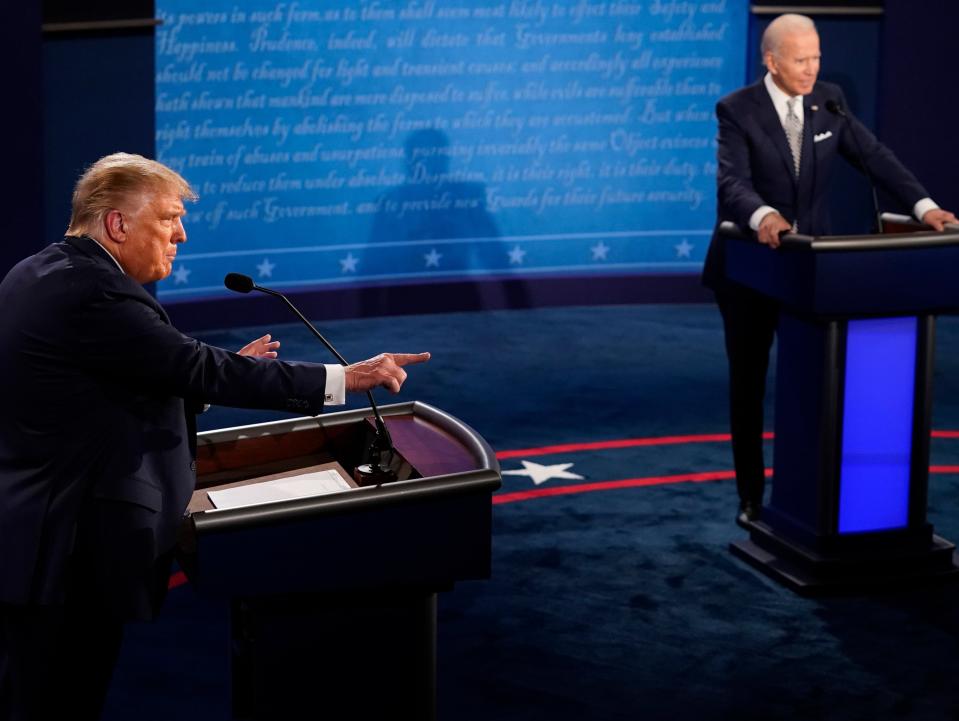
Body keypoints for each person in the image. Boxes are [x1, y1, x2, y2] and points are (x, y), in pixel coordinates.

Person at [0, 152, 430, 720]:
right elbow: (199, 367)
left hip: (41, 532)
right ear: (118, 224)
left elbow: (114, 386)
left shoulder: (42, 270)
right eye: (169, 218)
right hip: (71, 545)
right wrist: (344, 378)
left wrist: (194, 381)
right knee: (57, 696)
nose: (181, 234)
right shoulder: (97, 292)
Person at [701, 14, 958, 525]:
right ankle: (751, 496)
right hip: (751, 270)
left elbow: (876, 159)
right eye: (801, 59)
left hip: (815, 273)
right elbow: (732, 184)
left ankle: (810, 494)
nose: (812, 68)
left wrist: (925, 207)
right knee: (749, 385)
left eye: (817, 56)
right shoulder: (737, 110)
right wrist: (763, 216)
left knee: (814, 382)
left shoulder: (829, 101)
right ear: (771, 61)